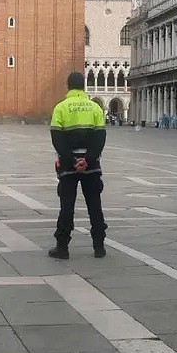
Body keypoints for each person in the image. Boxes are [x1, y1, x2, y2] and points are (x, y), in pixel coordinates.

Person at [48, 71, 108, 259]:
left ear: (68, 86)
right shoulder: (95, 107)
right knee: (94, 205)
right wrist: (87, 160)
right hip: (91, 165)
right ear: (84, 86)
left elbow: (57, 139)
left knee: (67, 206)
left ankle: (62, 247)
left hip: (68, 167)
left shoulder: (61, 108)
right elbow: (100, 138)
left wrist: (72, 161)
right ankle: (99, 246)